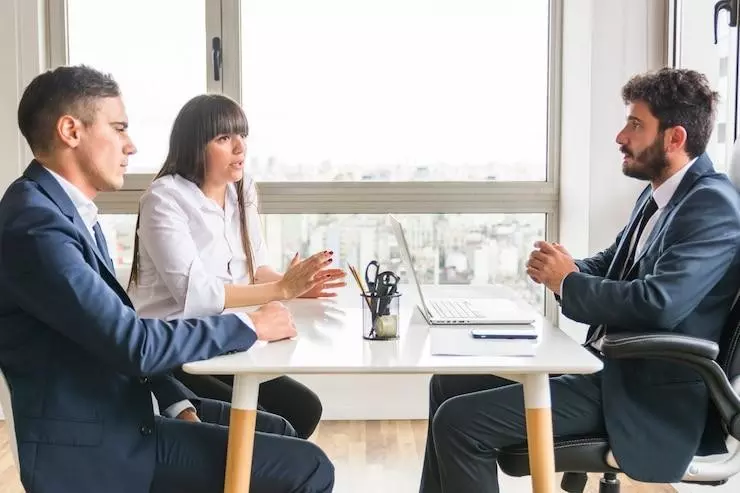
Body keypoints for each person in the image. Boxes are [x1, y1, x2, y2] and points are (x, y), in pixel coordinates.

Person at [0, 65, 334, 493]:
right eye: (119, 128)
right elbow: (133, 343)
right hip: (100, 446)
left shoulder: (65, 212)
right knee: (310, 467)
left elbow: (113, 332)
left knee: (283, 429)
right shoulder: (36, 226)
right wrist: (251, 325)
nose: (131, 145)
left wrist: (175, 400)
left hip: (127, 408)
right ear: (71, 131)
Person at [420, 67, 740, 493]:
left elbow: (659, 304)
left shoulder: (712, 206)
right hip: (608, 369)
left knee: (460, 423)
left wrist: (568, 282)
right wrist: (564, 267)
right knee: (448, 384)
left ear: (674, 138)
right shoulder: (661, 194)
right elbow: (614, 263)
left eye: (636, 124)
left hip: (645, 394)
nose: (621, 136)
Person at [127, 93, 346, 439]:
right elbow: (198, 295)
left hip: (225, 339)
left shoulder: (241, 190)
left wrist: (296, 285)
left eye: (242, 135)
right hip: (175, 348)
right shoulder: (164, 199)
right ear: (194, 146)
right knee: (275, 425)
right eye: (224, 137)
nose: (240, 147)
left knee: (303, 408)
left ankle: (260, 468)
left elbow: (255, 271)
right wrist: (281, 289)